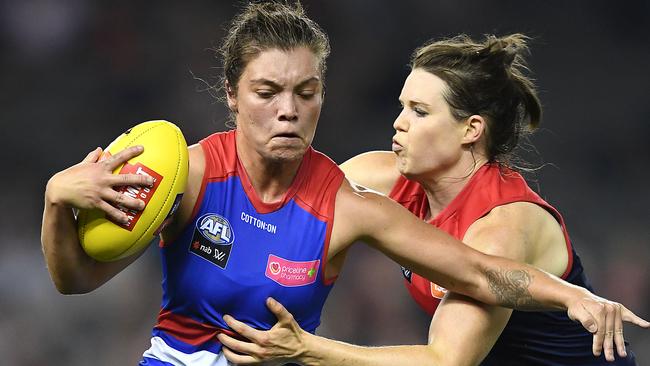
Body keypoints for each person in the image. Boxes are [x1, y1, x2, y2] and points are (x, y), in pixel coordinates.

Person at [40, 3, 647, 365]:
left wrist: (573, 298)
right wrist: (57, 202)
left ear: (471, 130)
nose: (289, 111)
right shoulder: (190, 174)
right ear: (230, 95)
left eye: (307, 93)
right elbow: (76, 280)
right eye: (267, 92)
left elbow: (462, 325)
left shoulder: (385, 208)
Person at [214, 33, 648, 365]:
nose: (399, 123)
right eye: (402, 106)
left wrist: (307, 350)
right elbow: (268, 200)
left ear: (471, 129)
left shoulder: (501, 228)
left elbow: (445, 359)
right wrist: (167, 194)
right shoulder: (381, 177)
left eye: (420, 112)